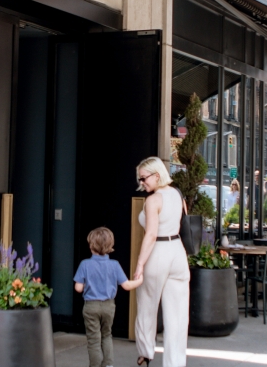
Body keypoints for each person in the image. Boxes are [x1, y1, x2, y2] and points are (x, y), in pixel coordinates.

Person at [133, 156, 190, 367]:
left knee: (147, 306)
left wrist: (139, 265)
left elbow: (151, 234)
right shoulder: (177, 194)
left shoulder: (153, 200)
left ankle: (145, 353)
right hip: (178, 251)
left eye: (144, 178)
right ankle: (175, 363)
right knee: (178, 315)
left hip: (158, 251)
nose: (142, 183)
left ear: (157, 175)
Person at [74, 227, 143, 367]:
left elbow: (78, 288)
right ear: (110, 246)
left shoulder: (85, 264)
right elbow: (127, 286)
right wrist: (140, 280)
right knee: (107, 335)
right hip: (109, 305)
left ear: (91, 245)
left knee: (94, 340)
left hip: (91, 305)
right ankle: (108, 364)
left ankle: (95, 365)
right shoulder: (115, 265)